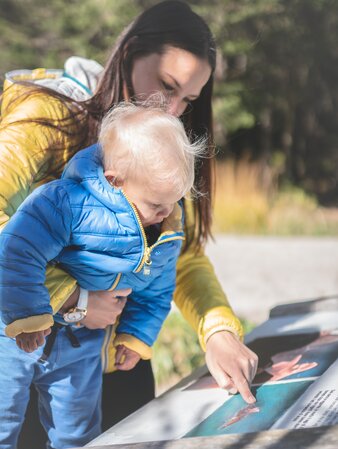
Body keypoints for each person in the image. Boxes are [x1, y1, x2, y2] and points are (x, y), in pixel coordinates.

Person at [0, 0, 258, 446]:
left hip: (115, 364)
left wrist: (217, 330)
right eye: (166, 86)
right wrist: (74, 299)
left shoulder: (161, 149)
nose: (173, 109)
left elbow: (181, 253)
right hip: (24, 354)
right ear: (129, 54)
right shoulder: (49, 118)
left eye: (188, 99)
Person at [0, 102, 204, 448]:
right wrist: (27, 314)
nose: (167, 213)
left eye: (175, 201)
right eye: (156, 204)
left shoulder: (166, 227)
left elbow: (158, 288)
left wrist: (136, 334)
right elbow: (16, 250)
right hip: (14, 332)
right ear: (115, 182)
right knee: (4, 419)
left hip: (82, 341)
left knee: (77, 432)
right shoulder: (68, 201)